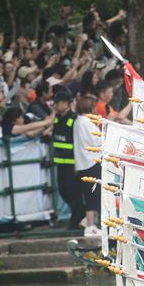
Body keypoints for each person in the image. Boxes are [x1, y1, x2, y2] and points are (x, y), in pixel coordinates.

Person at [51, 87, 83, 230]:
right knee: (63, 192)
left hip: (71, 164)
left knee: (73, 192)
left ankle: (77, 218)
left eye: (57, 103)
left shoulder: (73, 119)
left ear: (65, 103)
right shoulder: (58, 118)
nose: (55, 106)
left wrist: (77, 163)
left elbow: (78, 142)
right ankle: (78, 215)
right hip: (61, 164)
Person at [73, 93, 102, 237]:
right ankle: (90, 226)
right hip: (92, 162)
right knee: (93, 195)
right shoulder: (86, 122)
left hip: (83, 162)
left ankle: (88, 222)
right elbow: (96, 141)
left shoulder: (78, 121)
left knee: (90, 194)